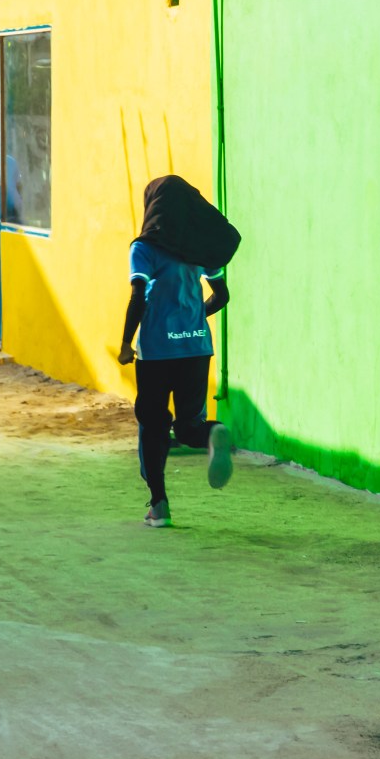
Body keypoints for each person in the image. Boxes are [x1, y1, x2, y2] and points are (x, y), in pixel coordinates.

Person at [117, 181, 234, 528]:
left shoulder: (144, 248)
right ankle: (212, 432)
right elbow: (222, 296)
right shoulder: (200, 248)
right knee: (188, 426)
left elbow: (138, 296)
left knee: (153, 425)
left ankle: (159, 505)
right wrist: (195, 317)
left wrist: (126, 342)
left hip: (157, 353)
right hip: (197, 346)